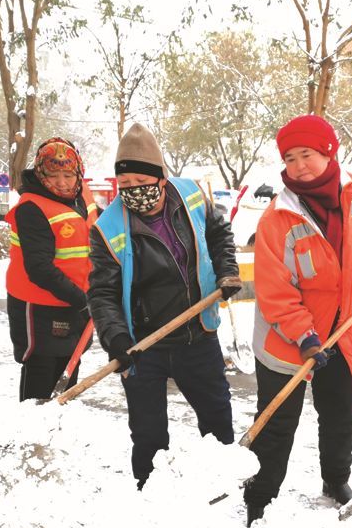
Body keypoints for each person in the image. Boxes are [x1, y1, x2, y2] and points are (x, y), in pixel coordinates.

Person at [244, 115, 352, 526]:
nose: (298, 166)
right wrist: (305, 336)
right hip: (287, 339)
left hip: (344, 333)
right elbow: (275, 293)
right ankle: (262, 492)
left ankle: (336, 480)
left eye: (307, 155)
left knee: (341, 412)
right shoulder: (277, 218)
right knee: (277, 423)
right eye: (290, 158)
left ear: (329, 151)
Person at [88, 123, 242, 491]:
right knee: (148, 435)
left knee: (218, 421)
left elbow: (218, 232)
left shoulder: (189, 194)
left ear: (161, 178)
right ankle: (150, 498)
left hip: (198, 334)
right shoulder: (107, 227)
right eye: (124, 185)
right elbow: (102, 293)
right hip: (144, 346)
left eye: (141, 181)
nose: (133, 191)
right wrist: (116, 339)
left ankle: (220, 489)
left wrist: (227, 271)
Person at [5, 137, 94, 401]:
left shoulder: (81, 197)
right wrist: (83, 300)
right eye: (54, 175)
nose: (62, 182)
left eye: (68, 174)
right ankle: (32, 437)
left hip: (76, 304)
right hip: (39, 308)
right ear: (41, 172)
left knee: (68, 375)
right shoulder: (32, 208)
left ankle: (57, 433)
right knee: (41, 378)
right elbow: (39, 268)